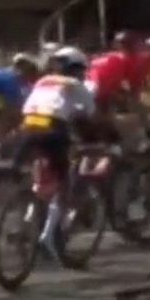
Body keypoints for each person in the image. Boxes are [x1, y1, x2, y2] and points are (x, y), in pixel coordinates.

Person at [17, 46, 96, 257]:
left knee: (40, 174)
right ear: (76, 69)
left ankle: (28, 217)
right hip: (52, 130)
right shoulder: (77, 84)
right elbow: (89, 115)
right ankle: (47, 237)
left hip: (27, 128)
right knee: (64, 185)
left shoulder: (43, 81)